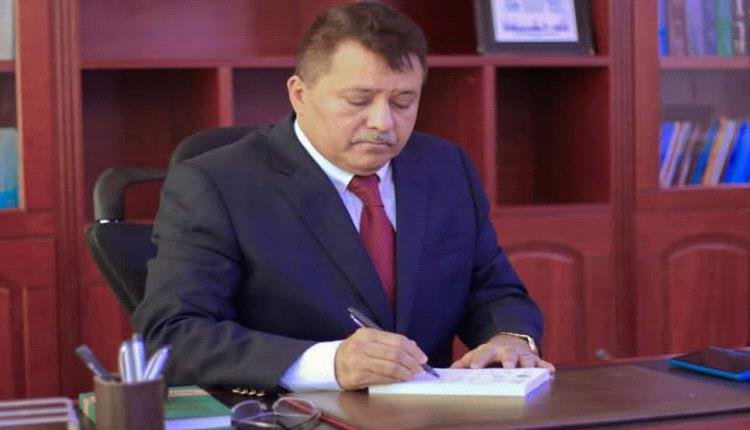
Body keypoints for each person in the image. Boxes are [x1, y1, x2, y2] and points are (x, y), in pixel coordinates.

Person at [133, 2, 554, 393]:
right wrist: (328, 363)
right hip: (287, 414)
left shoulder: (446, 168)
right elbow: (172, 335)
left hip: (428, 413)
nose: (383, 122)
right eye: (358, 100)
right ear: (300, 94)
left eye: (403, 101)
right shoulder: (216, 184)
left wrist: (509, 337)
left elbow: (493, 288)